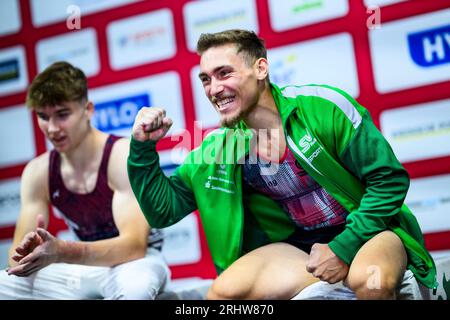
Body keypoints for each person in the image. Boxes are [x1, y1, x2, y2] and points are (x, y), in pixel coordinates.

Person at [127, 29, 437, 300]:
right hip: (301, 248)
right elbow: (162, 210)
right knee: (222, 293)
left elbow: (388, 180)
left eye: (224, 73)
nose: (213, 89)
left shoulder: (322, 109)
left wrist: (343, 248)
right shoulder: (220, 148)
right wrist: (142, 147)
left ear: (260, 68)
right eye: (206, 79)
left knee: (370, 284)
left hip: (370, 233)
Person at [0, 61, 170, 300]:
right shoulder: (38, 172)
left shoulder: (120, 155)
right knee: (3, 284)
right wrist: (26, 253)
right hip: (83, 269)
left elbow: (134, 246)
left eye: (62, 115)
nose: (52, 128)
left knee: (135, 290)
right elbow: (14, 261)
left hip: (135, 263)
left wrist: (62, 251)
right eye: (43, 116)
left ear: (88, 110)